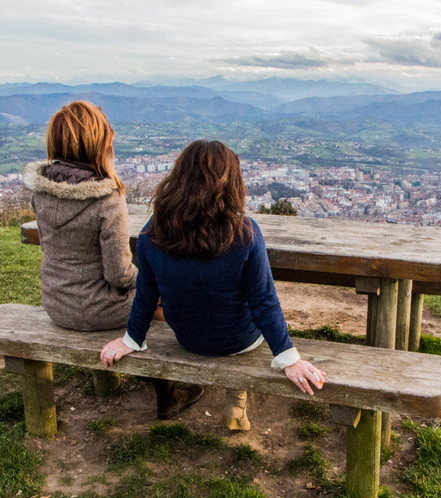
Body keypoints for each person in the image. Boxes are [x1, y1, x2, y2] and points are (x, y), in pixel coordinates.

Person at [99, 139, 326, 431]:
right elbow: (263, 302)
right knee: (242, 305)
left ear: (178, 179)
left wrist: (131, 340)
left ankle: (236, 399)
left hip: (189, 338)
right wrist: (288, 357)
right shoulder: (245, 233)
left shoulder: (152, 232)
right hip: (238, 341)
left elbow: (146, 295)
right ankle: (236, 400)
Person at [24, 100, 203, 420]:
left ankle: (160, 380)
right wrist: (156, 286)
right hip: (98, 310)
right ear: (97, 144)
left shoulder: (41, 191)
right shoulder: (106, 198)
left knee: (152, 301)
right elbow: (119, 274)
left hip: (56, 302)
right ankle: (170, 386)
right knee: (161, 305)